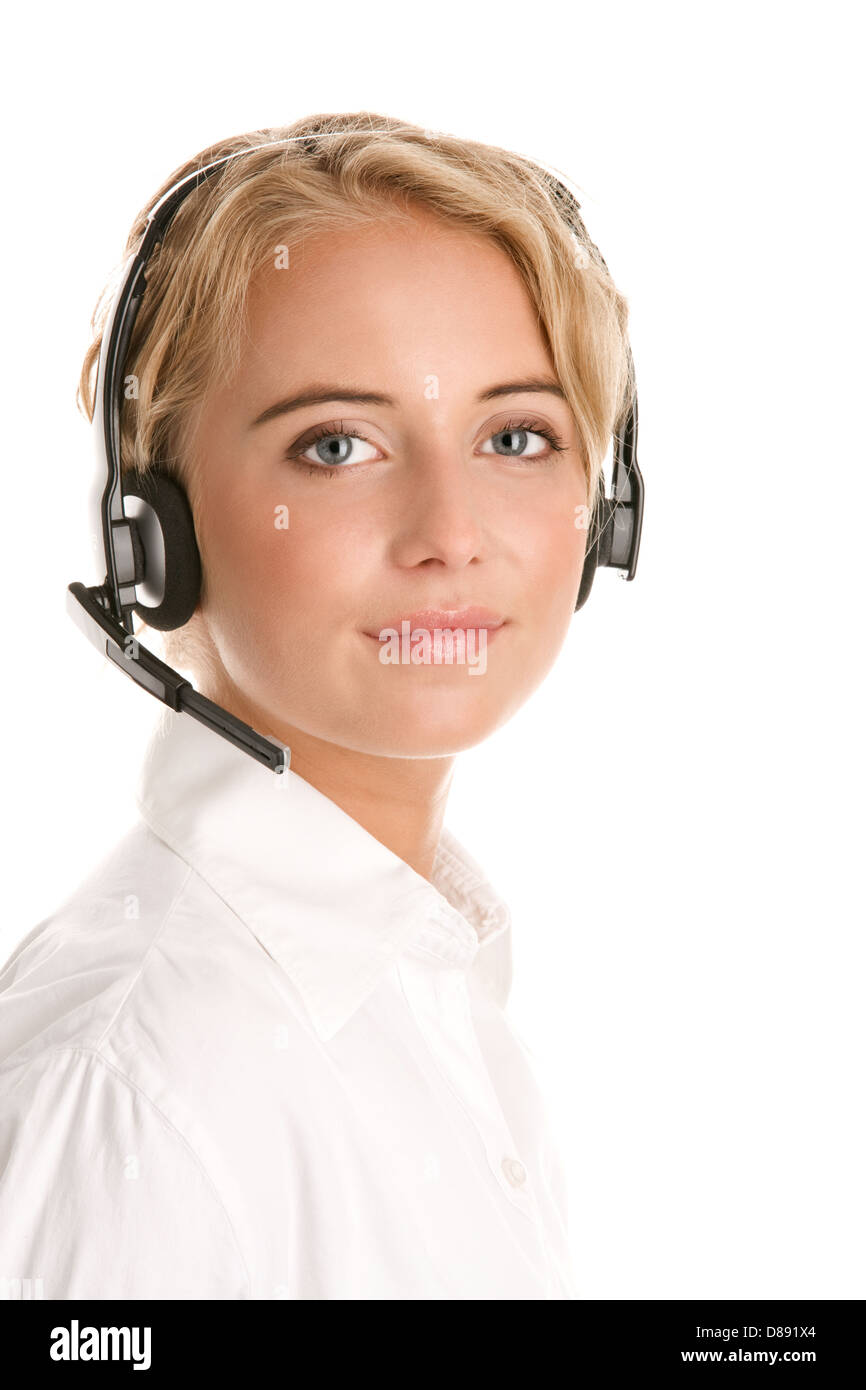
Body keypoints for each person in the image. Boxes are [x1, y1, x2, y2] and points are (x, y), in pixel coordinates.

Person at [0, 112, 634, 1300]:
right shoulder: (139, 1093)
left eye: (514, 434)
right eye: (336, 445)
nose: (450, 535)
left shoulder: (436, 1001)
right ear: (156, 534)